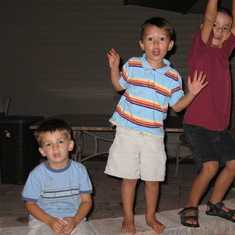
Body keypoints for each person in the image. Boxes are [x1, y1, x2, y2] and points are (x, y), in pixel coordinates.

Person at [104, 17, 208, 235]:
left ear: (170, 45)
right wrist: (115, 68)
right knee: (129, 177)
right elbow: (118, 86)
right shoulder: (132, 64)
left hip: (153, 135)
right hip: (128, 130)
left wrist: (192, 93)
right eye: (150, 39)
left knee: (153, 179)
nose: (156, 44)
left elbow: (177, 107)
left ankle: (150, 216)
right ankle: (128, 217)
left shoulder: (172, 77)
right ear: (142, 44)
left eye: (161, 39)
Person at [178, 0, 235, 228]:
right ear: (205, 26)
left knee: (233, 165)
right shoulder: (200, 49)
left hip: (220, 127)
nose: (219, 31)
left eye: (225, 27)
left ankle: (215, 204)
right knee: (210, 167)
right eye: (215, 26)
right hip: (197, 124)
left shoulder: (226, 50)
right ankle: (190, 206)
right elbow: (210, 18)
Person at [22, 119, 95, 235]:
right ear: (42, 151)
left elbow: (86, 201)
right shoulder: (37, 174)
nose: (55, 147)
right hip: (43, 220)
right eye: (49, 144)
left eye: (60, 142)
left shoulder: (80, 170)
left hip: (74, 217)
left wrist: (76, 220)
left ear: (70, 145)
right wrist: (49, 220)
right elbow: (30, 204)